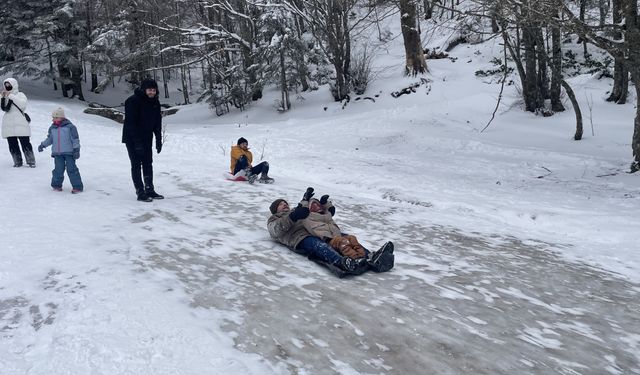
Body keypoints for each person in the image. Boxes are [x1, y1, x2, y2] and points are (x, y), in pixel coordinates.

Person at [267, 187, 394, 276]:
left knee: (346, 237)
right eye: (281, 204)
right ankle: (341, 262)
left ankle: (370, 257)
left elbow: (312, 210)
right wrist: (293, 216)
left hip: (316, 230)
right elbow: (275, 230)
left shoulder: (295, 210)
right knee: (317, 245)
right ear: (275, 210)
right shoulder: (274, 219)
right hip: (299, 237)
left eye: (285, 203)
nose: (285, 204)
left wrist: (323, 204)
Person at [122, 78, 164, 202]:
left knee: (148, 163)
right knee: (136, 164)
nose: (152, 92)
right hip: (132, 138)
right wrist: (137, 143)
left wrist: (158, 140)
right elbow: (131, 124)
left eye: (154, 90)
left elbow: (157, 123)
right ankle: (140, 192)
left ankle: (149, 189)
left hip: (147, 137)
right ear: (144, 89)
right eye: (149, 90)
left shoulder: (155, 102)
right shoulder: (132, 101)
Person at [37, 108, 83, 193]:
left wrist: (76, 149)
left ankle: (77, 187)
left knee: (72, 169)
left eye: (55, 117)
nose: (53, 119)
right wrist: (43, 145)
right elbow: (50, 139)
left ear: (61, 117)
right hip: (58, 154)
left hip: (69, 153)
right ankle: (56, 185)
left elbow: (75, 139)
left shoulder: (70, 127)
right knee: (58, 170)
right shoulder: (52, 128)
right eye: (53, 117)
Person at [1, 77, 35, 167]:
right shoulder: (4, 96)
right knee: (12, 144)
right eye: (6, 85)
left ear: (14, 85)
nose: (7, 87)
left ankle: (31, 161)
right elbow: (4, 108)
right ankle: (17, 161)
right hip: (8, 123)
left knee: (25, 143)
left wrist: (10, 96)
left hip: (20, 121)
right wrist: (3, 97)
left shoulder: (20, 94)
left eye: (9, 85)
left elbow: (22, 105)